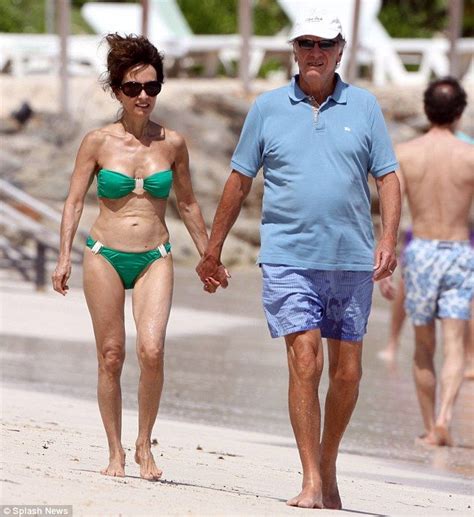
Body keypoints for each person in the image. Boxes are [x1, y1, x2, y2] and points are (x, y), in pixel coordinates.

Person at [197, 10, 400, 510]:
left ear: (340, 51)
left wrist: (389, 238)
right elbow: (240, 180)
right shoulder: (267, 108)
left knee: (348, 372)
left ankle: (327, 462)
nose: (314, 52)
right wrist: (212, 248)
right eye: (305, 43)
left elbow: (388, 178)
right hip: (288, 257)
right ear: (293, 50)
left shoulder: (365, 105)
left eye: (323, 44)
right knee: (304, 360)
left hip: (352, 258)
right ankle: (311, 478)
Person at [52, 34, 224, 480]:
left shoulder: (172, 144)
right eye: (133, 88)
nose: (143, 96)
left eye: (151, 87)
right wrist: (63, 256)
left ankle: (144, 444)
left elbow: (187, 204)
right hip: (104, 254)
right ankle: (115, 452)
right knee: (111, 354)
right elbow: (73, 201)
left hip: (155, 256)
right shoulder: (97, 142)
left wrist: (209, 255)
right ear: (116, 90)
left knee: (152, 350)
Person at [384, 77, 473, 446]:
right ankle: (444, 418)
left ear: (426, 109)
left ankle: (428, 426)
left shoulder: (404, 152)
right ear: (460, 112)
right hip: (458, 251)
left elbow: (391, 207)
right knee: (454, 343)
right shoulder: (470, 155)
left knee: (423, 347)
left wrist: (384, 253)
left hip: (420, 251)